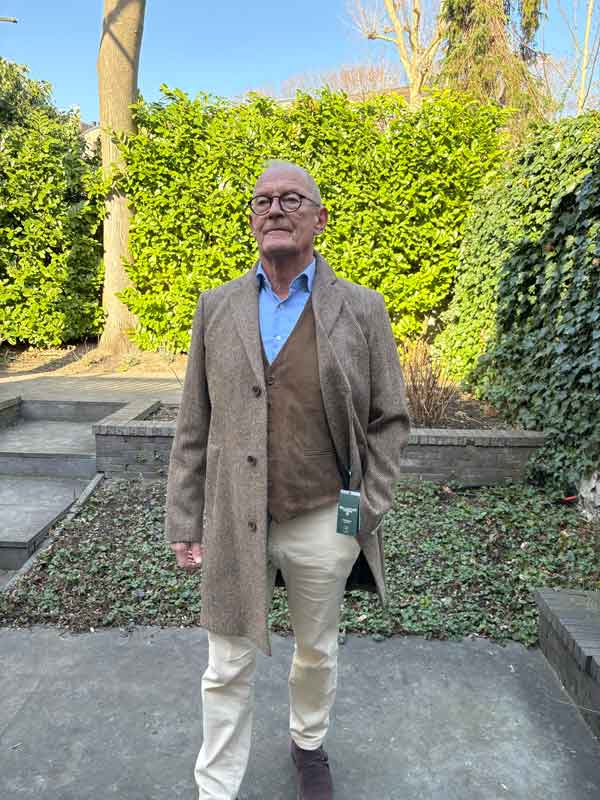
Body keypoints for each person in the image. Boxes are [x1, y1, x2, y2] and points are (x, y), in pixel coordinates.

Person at [166, 160, 410, 800]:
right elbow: (193, 423)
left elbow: (390, 419)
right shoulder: (216, 307)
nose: (274, 209)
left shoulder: (361, 309)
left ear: (320, 219)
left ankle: (308, 743)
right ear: (253, 220)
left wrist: (367, 511)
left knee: (316, 651)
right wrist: (185, 518)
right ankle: (216, 788)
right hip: (234, 519)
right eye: (263, 200)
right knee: (225, 663)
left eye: (292, 199)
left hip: (324, 517)